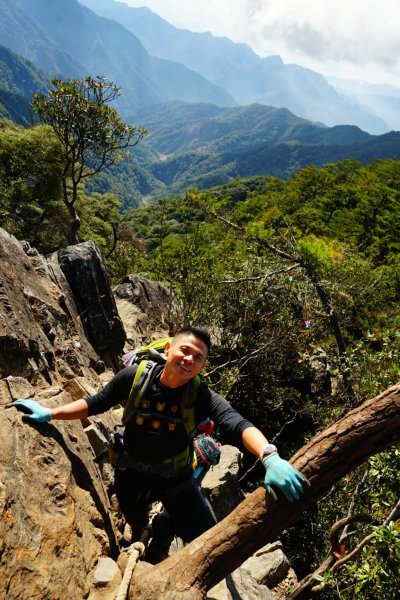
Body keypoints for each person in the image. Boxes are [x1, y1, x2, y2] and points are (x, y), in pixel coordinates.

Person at [13, 326, 308, 552]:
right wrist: (50, 413)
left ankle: (168, 526)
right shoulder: (134, 377)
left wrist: (270, 456)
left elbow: (238, 424)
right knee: (137, 523)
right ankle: (152, 535)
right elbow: (95, 403)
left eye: (198, 357)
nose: (190, 359)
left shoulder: (200, 395)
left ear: (202, 366)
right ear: (168, 349)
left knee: (207, 540)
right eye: (186, 350)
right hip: (130, 476)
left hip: (176, 479)